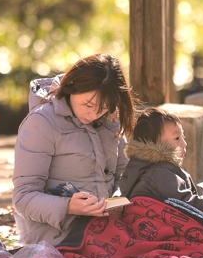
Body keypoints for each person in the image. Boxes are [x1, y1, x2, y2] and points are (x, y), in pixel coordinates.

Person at [12, 54, 136, 246]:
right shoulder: (41, 123)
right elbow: (23, 198)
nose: (94, 114)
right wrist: (68, 206)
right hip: (56, 235)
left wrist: (117, 200)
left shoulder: (110, 120)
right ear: (72, 87)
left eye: (103, 107)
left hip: (107, 227)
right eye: (88, 105)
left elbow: (125, 176)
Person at [118, 108, 203, 217]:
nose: (184, 144)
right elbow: (186, 204)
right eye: (177, 138)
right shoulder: (159, 174)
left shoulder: (142, 168)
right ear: (153, 144)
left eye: (183, 137)